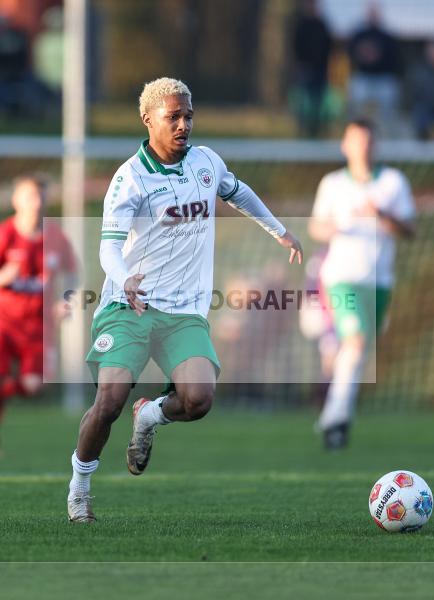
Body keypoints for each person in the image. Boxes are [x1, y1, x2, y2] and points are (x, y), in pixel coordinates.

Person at [66, 77, 303, 523]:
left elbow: (237, 191)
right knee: (109, 400)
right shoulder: (129, 179)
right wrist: (124, 280)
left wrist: (280, 230)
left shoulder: (205, 163)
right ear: (148, 119)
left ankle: (151, 415)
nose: (183, 125)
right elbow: (107, 247)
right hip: (129, 308)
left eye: (188, 115)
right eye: (173, 116)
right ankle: (80, 487)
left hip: (183, 313)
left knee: (199, 400)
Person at [308, 118, 415, 450]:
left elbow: (409, 230)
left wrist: (380, 215)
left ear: (375, 145)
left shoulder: (393, 183)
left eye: (368, 141)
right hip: (341, 278)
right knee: (354, 344)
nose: (362, 147)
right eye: (356, 141)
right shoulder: (333, 184)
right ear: (345, 145)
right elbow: (316, 228)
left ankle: (330, 417)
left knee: (357, 352)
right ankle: (337, 423)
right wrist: (340, 224)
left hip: (378, 281)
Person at [0, 175, 78, 459]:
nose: (37, 203)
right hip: (1, 323)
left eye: (41, 196)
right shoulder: (2, 235)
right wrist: (3, 276)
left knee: (33, 386)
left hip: (38, 325)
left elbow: (72, 274)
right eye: (30, 196)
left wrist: (65, 302)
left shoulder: (56, 238)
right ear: (16, 200)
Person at [345, 3, 402, 127]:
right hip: (363, 77)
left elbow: (394, 59)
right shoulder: (359, 35)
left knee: (390, 96)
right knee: (355, 95)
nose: (373, 15)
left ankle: (386, 134)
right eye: (370, 12)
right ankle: (357, 130)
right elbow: (351, 54)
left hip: (383, 78)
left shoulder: (387, 37)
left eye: (375, 12)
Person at [291, 0, 332, 138]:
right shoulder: (301, 24)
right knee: (303, 102)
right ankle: (302, 128)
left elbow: (328, 47)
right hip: (305, 69)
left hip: (320, 70)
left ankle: (316, 129)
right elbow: (296, 46)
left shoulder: (322, 25)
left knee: (318, 102)